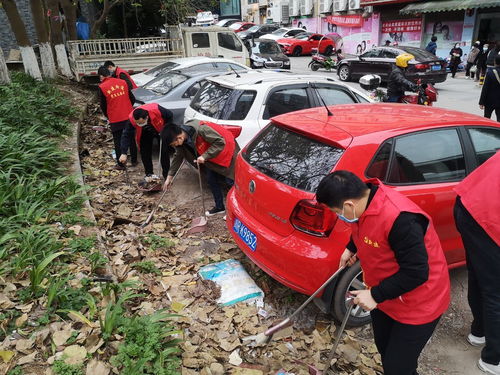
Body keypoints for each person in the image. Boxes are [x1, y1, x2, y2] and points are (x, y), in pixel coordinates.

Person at [316, 171, 450, 375]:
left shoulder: (401, 219)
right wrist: (351, 247)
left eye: (336, 211)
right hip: (384, 296)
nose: (338, 216)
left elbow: (417, 272)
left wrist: (375, 295)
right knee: (386, 353)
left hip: (418, 304)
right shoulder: (365, 203)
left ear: (349, 205)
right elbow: (363, 227)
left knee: (398, 368)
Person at [453, 151, 500, 374]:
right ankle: (492, 359)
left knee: (479, 275)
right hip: (486, 218)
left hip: (467, 204)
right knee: (496, 292)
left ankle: (479, 332)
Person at [161, 120, 239, 216]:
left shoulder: (201, 130)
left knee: (230, 181)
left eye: (173, 144)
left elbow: (220, 142)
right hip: (210, 156)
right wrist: (170, 177)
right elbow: (178, 156)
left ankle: (236, 212)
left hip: (226, 151)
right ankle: (219, 207)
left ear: (179, 138)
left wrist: (204, 156)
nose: (174, 146)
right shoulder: (181, 140)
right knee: (211, 180)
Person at [119, 104, 173, 181]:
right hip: (144, 132)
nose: (139, 124)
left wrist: (166, 129)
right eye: (137, 123)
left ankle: (166, 175)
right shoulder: (131, 119)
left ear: (147, 117)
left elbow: (170, 115)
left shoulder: (156, 109)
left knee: (163, 151)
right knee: (145, 152)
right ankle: (149, 175)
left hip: (159, 127)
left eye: (141, 122)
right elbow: (126, 135)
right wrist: (123, 152)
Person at [97, 66, 137, 170]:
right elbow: (132, 98)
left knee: (118, 140)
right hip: (128, 115)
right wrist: (128, 107)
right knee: (131, 138)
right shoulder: (122, 82)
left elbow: (103, 105)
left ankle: (121, 164)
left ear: (101, 76)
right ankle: (134, 160)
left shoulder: (102, 87)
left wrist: (108, 115)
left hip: (115, 118)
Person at [479, 56, 500, 122]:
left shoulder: (490, 72)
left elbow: (485, 88)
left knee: (487, 118)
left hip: (489, 100)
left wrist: (481, 102)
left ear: (495, 62)